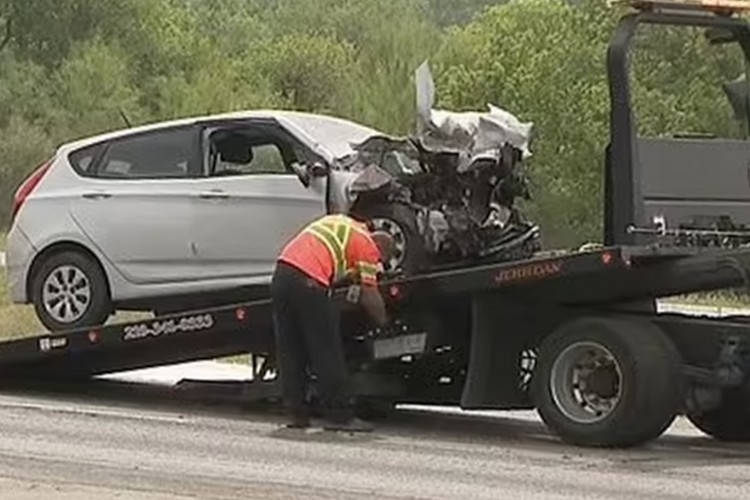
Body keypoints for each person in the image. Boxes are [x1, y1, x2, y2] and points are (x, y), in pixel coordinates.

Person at [270, 212, 395, 432]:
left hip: (282, 274)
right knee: (326, 349)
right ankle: (340, 416)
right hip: (308, 280)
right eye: (379, 263)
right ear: (381, 249)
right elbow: (369, 293)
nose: (376, 266)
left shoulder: (343, 223)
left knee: (291, 349)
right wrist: (384, 323)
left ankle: (296, 414)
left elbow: (333, 260)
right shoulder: (368, 246)